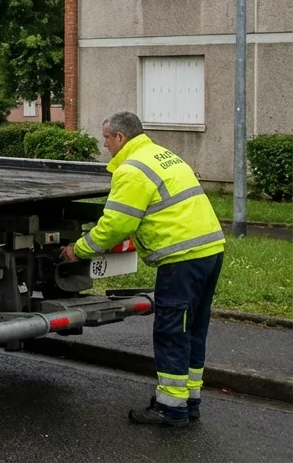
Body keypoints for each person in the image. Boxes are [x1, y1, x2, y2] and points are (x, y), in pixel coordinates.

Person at [61, 111, 225, 427]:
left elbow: (116, 225)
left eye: (106, 138)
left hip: (182, 258)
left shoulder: (132, 170)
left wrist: (78, 250)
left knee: (172, 330)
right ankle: (189, 401)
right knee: (193, 328)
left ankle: (170, 408)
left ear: (120, 138)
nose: (105, 145)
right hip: (209, 250)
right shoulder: (163, 155)